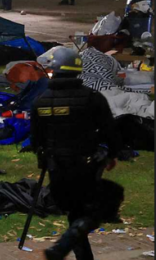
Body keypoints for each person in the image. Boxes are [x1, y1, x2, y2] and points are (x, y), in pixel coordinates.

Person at [31, 47, 124, 260]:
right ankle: (60, 248)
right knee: (106, 201)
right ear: (77, 70)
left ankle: (78, 255)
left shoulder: (40, 101)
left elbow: (36, 140)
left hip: (56, 167)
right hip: (86, 165)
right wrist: (111, 154)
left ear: (53, 70)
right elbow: (111, 131)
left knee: (75, 212)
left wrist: (45, 158)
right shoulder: (92, 98)